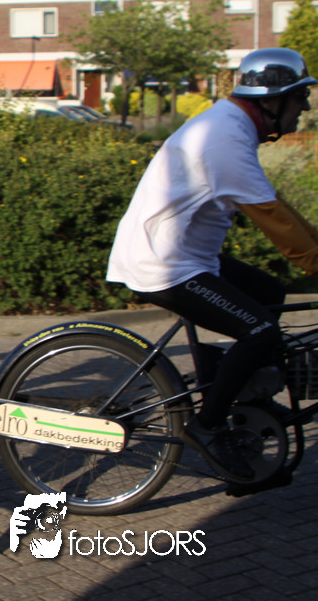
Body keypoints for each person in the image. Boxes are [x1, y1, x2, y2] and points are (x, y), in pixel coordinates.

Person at [107, 47, 318, 482]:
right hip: (164, 265)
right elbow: (277, 224)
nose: (306, 108)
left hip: (188, 257)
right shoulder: (224, 137)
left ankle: (249, 399)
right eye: (301, 98)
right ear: (272, 101)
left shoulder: (232, 125)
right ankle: (208, 425)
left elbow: (279, 207)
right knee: (259, 330)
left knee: (271, 293)